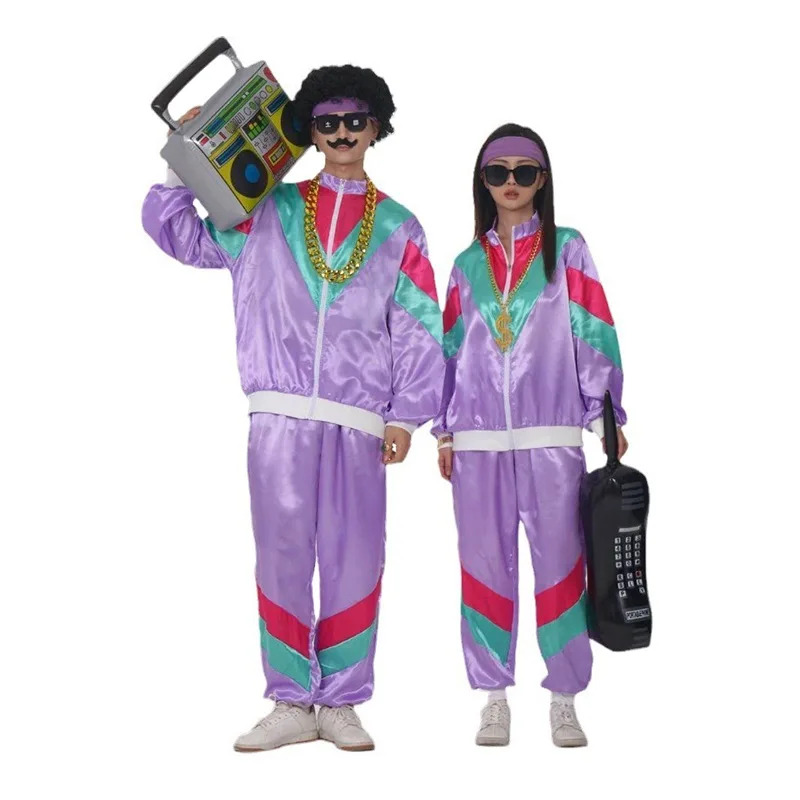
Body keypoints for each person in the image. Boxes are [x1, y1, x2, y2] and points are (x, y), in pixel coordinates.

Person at [142, 65, 443, 752]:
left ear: (376, 128)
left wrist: (406, 414)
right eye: (328, 122)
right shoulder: (267, 210)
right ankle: (288, 698)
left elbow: (420, 326)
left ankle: (340, 702)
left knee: (355, 557)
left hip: (359, 421)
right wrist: (182, 163)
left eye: (355, 121)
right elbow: (181, 235)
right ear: (310, 128)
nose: (341, 133)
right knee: (281, 555)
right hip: (277, 416)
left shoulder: (400, 227)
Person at [433, 124, 629, 748]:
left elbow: (593, 328)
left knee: (562, 566)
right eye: (499, 172)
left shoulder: (567, 250)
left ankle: (564, 699)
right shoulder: (465, 265)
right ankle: (493, 698)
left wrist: (606, 414)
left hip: (551, 439)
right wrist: (444, 430)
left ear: (542, 180)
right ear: (483, 181)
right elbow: (448, 351)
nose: (512, 182)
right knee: (483, 568)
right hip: (478, 444)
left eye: (525, 171)